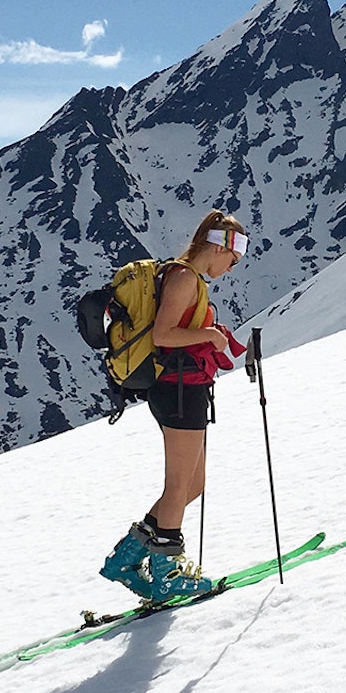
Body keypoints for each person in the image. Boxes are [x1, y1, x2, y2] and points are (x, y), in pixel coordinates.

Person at [100, 210, 249, 601]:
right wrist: (211, 337)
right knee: (180, 483)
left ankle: (128, 557)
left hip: (181, 388)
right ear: (219, 247)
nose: (230, 270)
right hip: (179, 387)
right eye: (232, 261)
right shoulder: (184, 278)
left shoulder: (185, 277)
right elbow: (166, 334)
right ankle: (167, 571)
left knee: (192, 484)